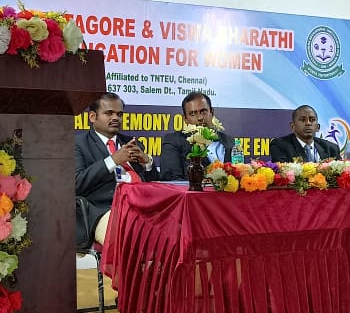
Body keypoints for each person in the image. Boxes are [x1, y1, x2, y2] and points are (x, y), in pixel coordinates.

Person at [75, 93, 158, 249]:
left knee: (172, 227)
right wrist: (112, 161)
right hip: (104, 210)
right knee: (129, 234)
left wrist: (146, 162)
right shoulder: (79, 144)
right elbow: (77, 183)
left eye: (119, 114)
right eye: (109, 113)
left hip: (142, 206)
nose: (115, 118)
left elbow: (154, 182)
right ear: (92, 117)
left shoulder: (131, 143)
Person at [160, 92, 235, 180]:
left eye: (203, 112)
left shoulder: (229, 141)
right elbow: (171, 179)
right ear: (185, 119)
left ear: (212, 112)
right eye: (193, 114)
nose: (200, 118)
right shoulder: (174, 141)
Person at [269, 105, 340, 163]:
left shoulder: (331, 149)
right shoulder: (280, 146)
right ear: (293, 126)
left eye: (312, 120)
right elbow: (283, 172)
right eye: (302, 120)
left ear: (317, 127)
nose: (308, 123)